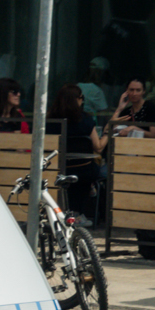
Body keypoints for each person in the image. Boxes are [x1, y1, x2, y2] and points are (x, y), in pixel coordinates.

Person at [50, 86, 101, 219]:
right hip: (84, 171)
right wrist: (107, 132)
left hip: (57, 170)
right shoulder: (85, 120)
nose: (82, 101)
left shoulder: (50, 120)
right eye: (81, 98)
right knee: (96, 169)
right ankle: (79, 212)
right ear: (76, 100)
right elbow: (99, 147)